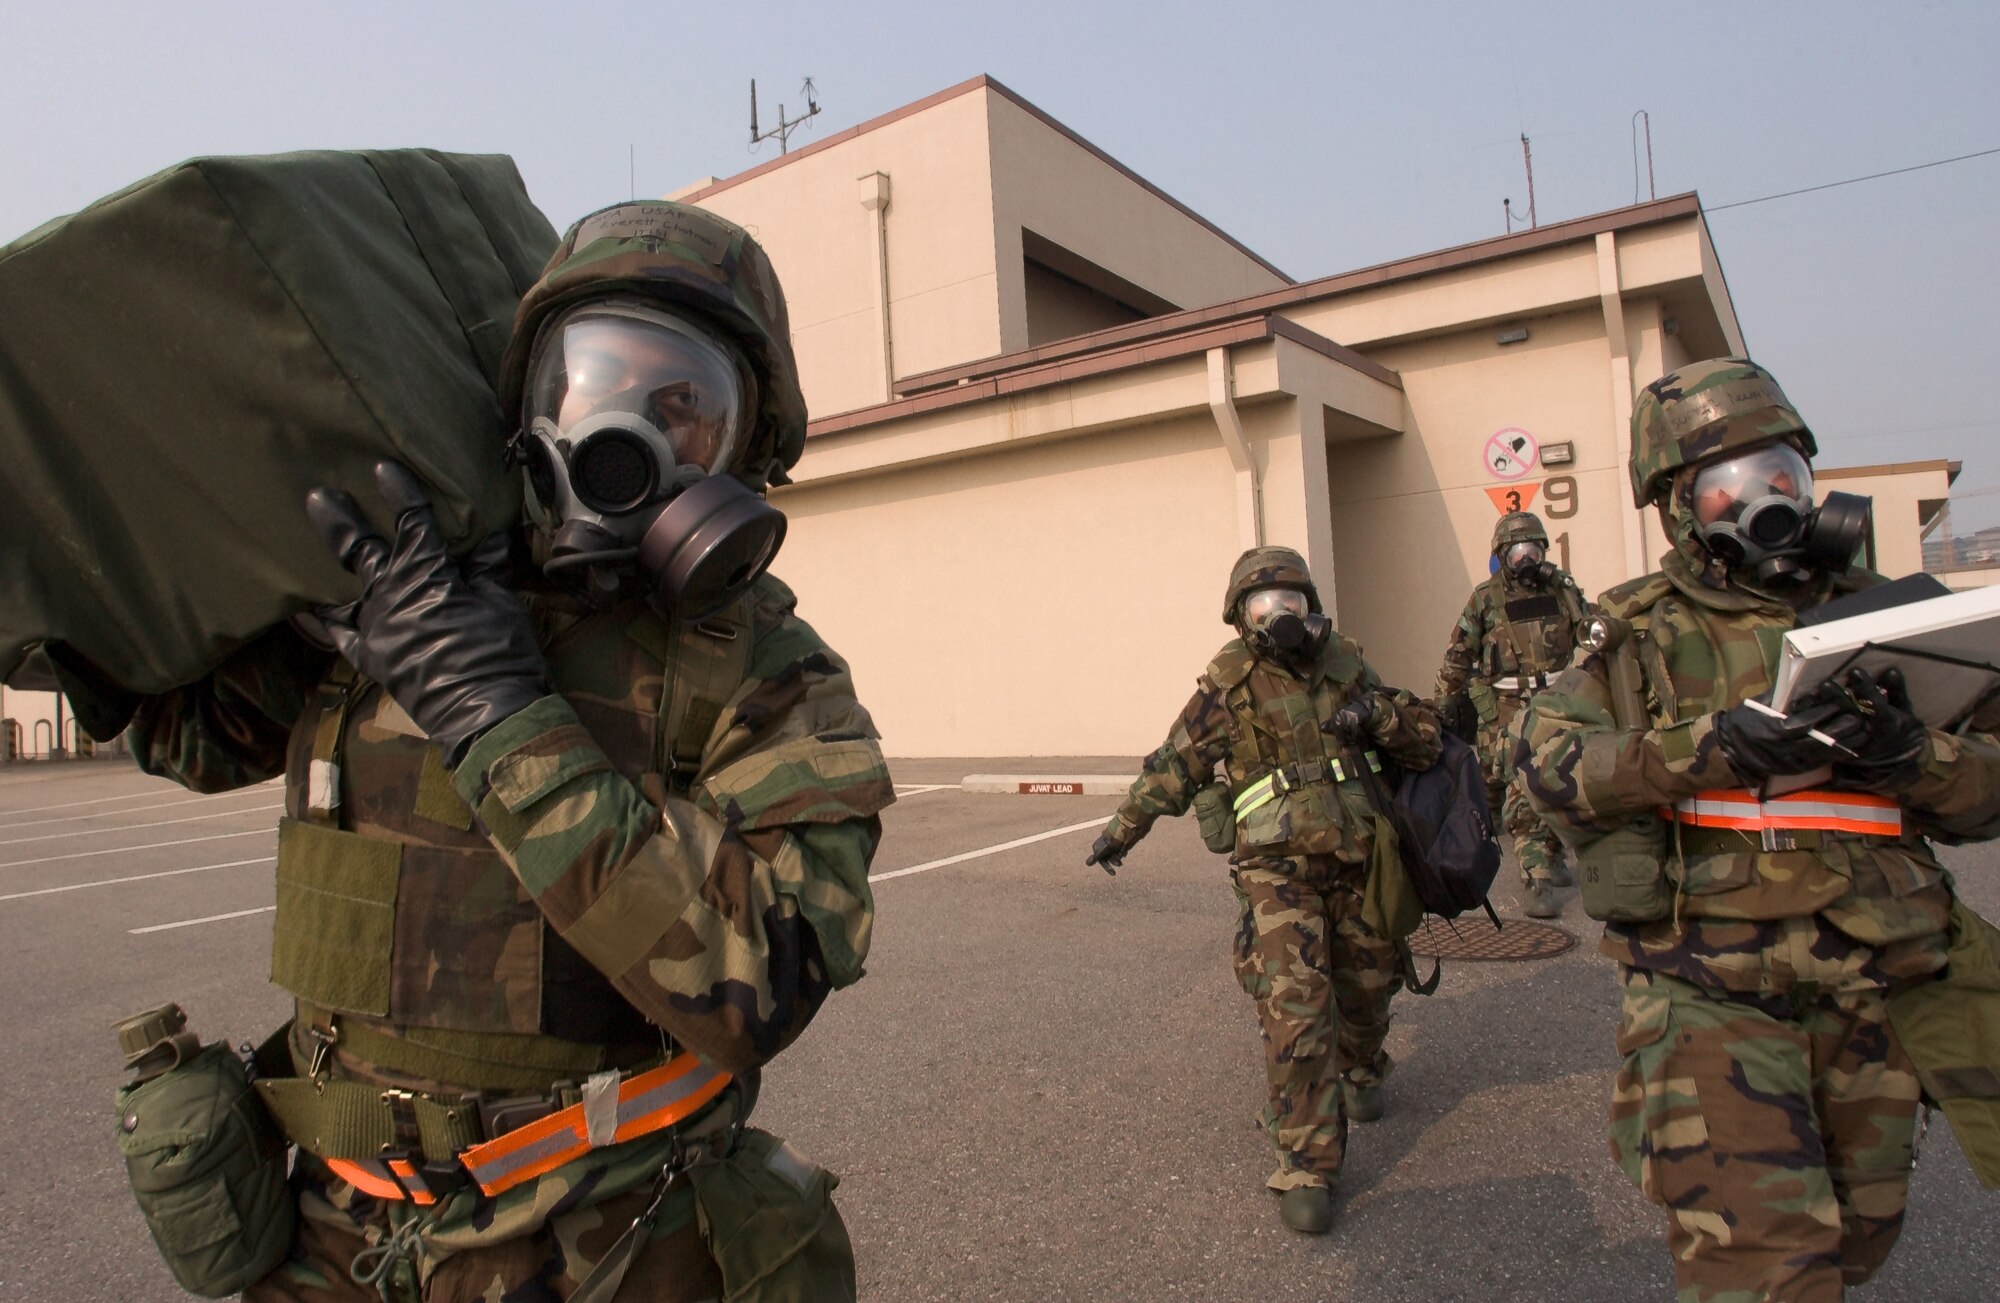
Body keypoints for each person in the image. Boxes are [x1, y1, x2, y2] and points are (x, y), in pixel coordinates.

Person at [127, 201, 894, 1302]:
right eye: (591, 379)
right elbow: (188, 733)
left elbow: (763, 982)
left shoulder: (765, 671)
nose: (621, 429)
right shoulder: (411, 590)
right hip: (334, 1241)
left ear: (740, 452)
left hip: (609, 1243)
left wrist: (497, 715)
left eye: (680, 403)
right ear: (533, 400)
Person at [1516, 357, 2000, 1301]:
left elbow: (1989, 795)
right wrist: (1712, 747)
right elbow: (1543, 764)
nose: (1766, 497)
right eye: (1730, 483)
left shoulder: (1897, 619)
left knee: (1858, 1240)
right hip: (1714, 990)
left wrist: (1918, 758)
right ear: (1680, 507)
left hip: (1883, 982)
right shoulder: (1634, 632)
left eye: (1783, 471)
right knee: (1769, 1269)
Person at [1085, 546, 1441, 1236]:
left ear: (1311, 607)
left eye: (1292, 603)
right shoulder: (1228, 686)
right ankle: (1307, 1161)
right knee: (1296, 1007)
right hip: (1277, 871)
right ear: (1241, 617)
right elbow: (1174, 765)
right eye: (1263, 606)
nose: (1281, 617)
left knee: (1367, 984)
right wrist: (1122, 829)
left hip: (1361, 856)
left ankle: (1363, 1063)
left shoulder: (1349, 665)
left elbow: (1423, 739)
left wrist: (1375, 717)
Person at [1434, 510, 1587, 918]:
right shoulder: (1486, 599)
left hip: (1558, 704)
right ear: (1502, 556)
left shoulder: (1563, 591)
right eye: (1517, 552)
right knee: (1514, 783)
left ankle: (1547, 859)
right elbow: (1458, 655)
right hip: (1506, 709)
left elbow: (1590, 635)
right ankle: (1534, 871)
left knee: (1556, 778)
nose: (1525, 560)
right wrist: (1444, 701)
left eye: (1532, 550)